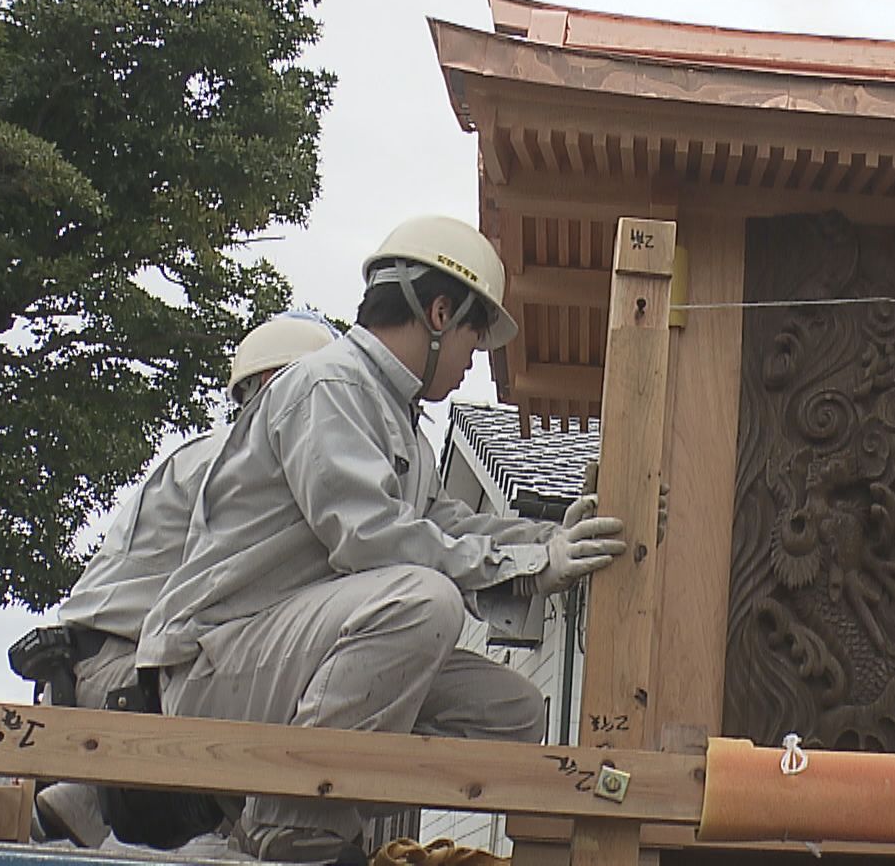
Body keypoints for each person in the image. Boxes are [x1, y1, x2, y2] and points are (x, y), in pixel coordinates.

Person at [137, 215, 629, 864]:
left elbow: (449, 525)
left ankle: (303, 809)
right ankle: (290, 831)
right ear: (439, 313)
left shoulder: (399, 424)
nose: (472, 361)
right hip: (219, 665)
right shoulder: (330, 387)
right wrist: (532, 563)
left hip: (294, 659)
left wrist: (552, 538)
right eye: (474, 339)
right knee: (423, 600)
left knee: (510, 711)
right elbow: (372, 540)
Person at [22, 312, 339, 849]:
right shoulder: (248, 467)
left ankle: (89, 800)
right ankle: (256, 833)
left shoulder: (213, 454)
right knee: (305, 657)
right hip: (127, 677)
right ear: (275, 386)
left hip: (97, 670)